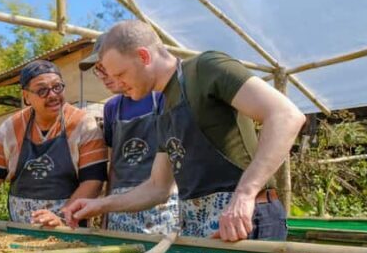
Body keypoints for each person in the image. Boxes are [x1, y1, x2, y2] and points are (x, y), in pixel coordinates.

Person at [66, 20, 306, 241]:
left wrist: (244, 194)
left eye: (121, 74)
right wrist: (100, 205)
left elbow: (286, 116)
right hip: (201, 227)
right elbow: (157, 188)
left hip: (245, 219)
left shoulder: (205, 68)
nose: (117, 84)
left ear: (143, 56)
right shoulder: (163, 108)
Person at [0, 60, 107, 227]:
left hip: (70, 230)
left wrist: (63, 217)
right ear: (26, 96)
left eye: (57, 87)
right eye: (42, 90)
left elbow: (93, 181)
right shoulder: (10, 129)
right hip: (19, 230)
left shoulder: (83, 125)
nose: (52, 95)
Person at [79, 34, 179, 234]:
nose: (104, 76)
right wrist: (106, 212)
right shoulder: (111, 108)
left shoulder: (161, 97)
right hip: (119, 203)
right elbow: (113, 163)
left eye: (105, 68)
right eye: (98, 70)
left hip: (160, 200)